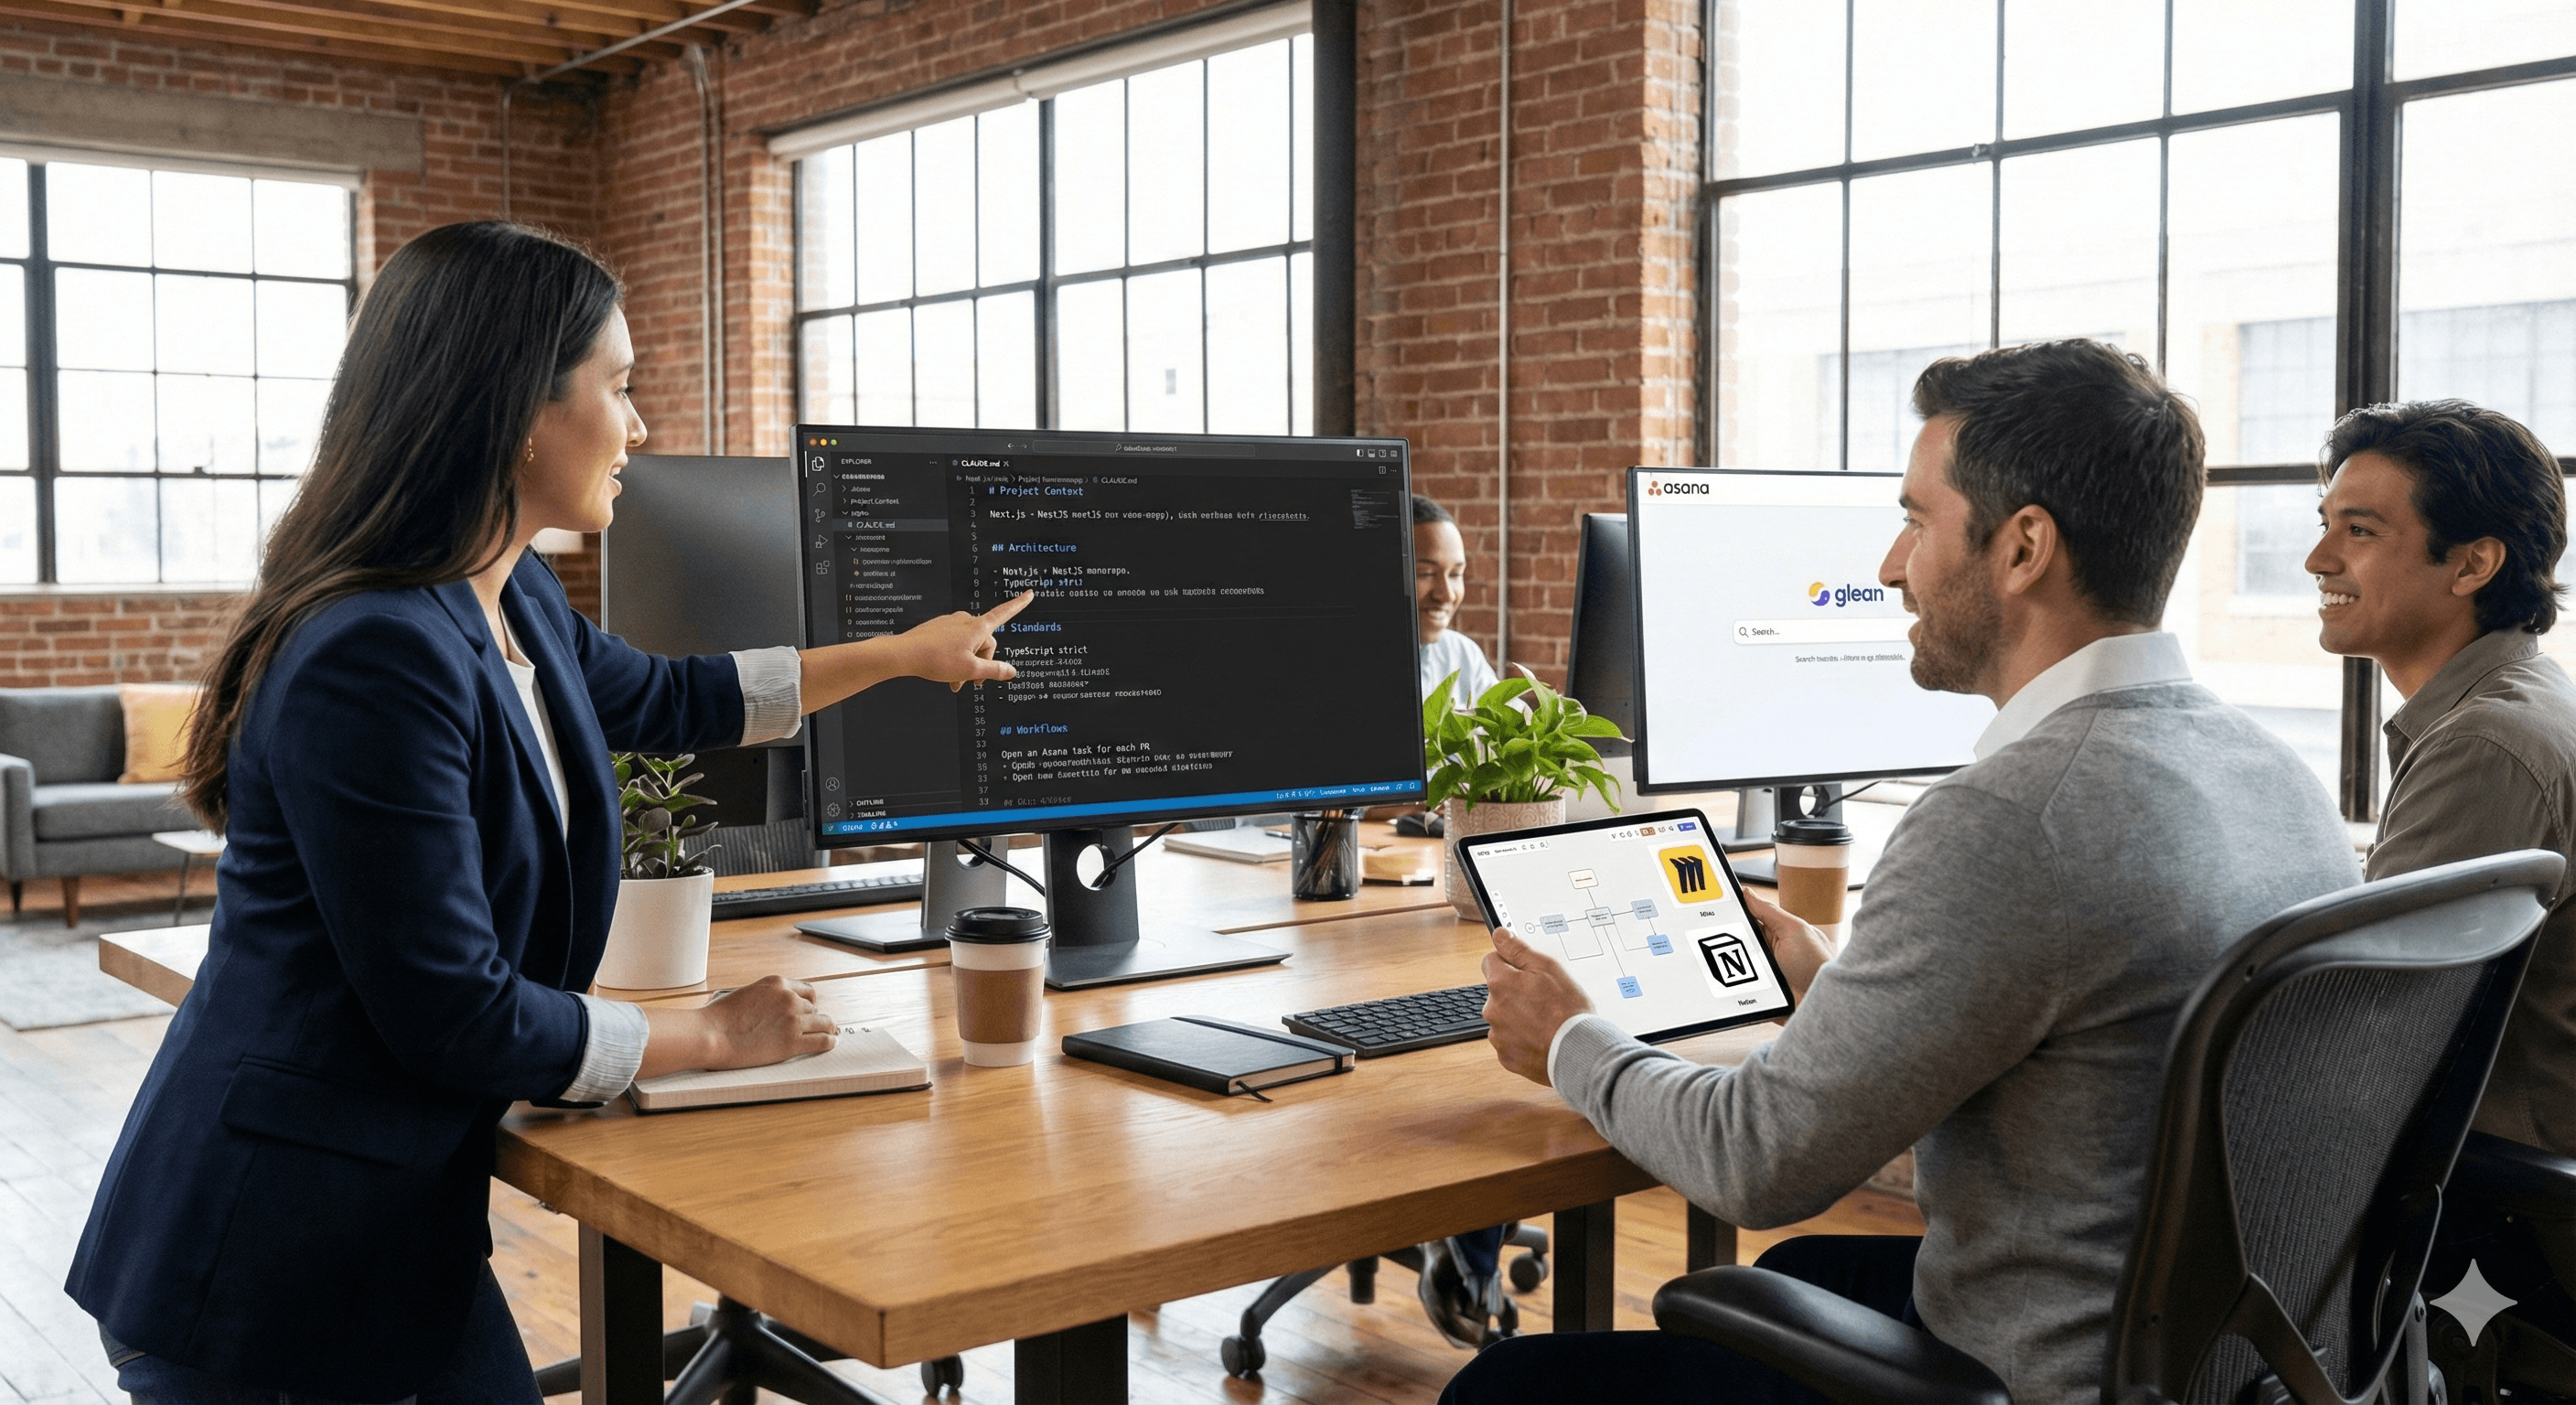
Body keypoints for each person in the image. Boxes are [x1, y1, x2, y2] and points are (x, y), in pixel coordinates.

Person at [64, 222, 1029, 1404]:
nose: (638, 428)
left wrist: (900, 655)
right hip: (271, 1262)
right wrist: (714, 1037)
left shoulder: (506, 587)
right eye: (617, 388)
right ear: (517, 406)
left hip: (392, 1233)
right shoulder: (374, 652)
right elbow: (452, 1014)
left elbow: (672, 697)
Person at [1449, 339, 2360, 1404]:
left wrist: (1566, 1037)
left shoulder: (2010, 819)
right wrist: (1838, 980)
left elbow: (1756, 1163)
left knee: (1507, 1388)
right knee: (1796, 1280)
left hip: (2042, 1374)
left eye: (1915, 523)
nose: (1888, 567)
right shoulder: (2274, 771)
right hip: (2226, 1361)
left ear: (2021, 548)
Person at [2301, 399, 2576, 1342]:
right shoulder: (2520, 699)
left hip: (2504, 1220)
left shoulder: (2486, 747)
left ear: (2470, 562)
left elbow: (2360, 1032)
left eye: (2359, 531)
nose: (2316, 561)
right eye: (2324, 526)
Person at [1415, 493, 1500, 710]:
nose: (1448, 595)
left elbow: (1513, 720)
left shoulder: (1461, 654)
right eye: (1425, 573)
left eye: (1455, 575)